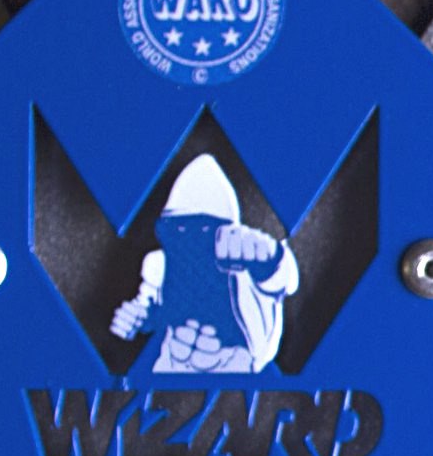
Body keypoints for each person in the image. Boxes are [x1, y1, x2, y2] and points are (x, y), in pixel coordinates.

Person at [110, 153, 299, 375]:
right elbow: (148, 308)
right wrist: (135, 318)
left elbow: (282, 280)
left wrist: (267, 255)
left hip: (237, 375)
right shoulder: (159, 266)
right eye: (181, 230)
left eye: (202, 231)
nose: (191, 240)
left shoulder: (245, 270)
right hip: (171, 370)